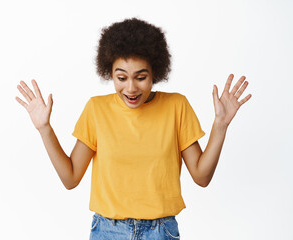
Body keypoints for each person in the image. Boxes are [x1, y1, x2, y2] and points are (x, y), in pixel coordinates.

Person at [15, 18, 251, 240]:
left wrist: (220, 125)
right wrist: (44, 128)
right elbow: (70, 178)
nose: (130, 88)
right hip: (108, 231)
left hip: (161, 232)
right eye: (121, 78)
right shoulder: (97, 109)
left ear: (155, 74)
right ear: (110, 74)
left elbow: (201, 177)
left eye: (140, 77)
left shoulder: (176, 106)